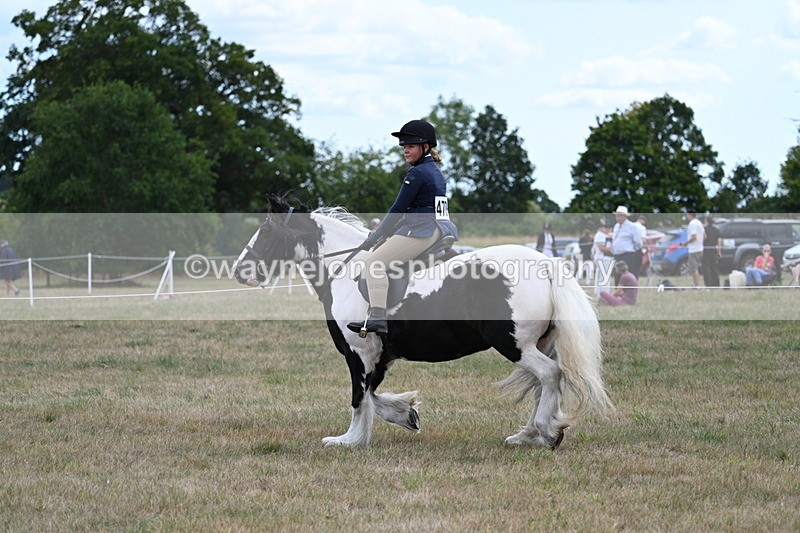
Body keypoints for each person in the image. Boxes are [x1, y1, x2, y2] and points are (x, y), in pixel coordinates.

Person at [347, 119, 458, 336]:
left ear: (425, 147)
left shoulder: (416, 174)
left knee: (374, 264)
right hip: (438, 228)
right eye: (404, 147)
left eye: (410, 146)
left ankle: (378, 317)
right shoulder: (434, 170)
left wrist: (376, 236)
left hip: (421, 231)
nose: (406, 151)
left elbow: (398, 209)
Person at [611, 206, 642, 285]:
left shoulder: (632, 226)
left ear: (625, 216)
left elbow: (638, 242)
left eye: (619, 216)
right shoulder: (616, 226)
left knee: (626, 276)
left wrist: (632, 249)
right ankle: (618, 294)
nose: (617, 218)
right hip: (617, 255)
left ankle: (627, 294)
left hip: (627, 255)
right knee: (617, 276)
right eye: (616, 216)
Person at [680, 210, 705, 288]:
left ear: (690, 215)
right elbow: (705, 236)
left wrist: (685, 243)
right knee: (696, 267)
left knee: (694, 268)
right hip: (700, 248)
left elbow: (694, 237)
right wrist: (700, 243)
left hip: (693, 249)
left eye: (687, 215)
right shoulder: (699, 223)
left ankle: (696, 285)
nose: (687, 217)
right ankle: (696, 284)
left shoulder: (692, 223)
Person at [593, 220, 613, 296]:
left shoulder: (606, 235)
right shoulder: (600, 235)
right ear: (602, 228)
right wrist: (612, 249)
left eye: (609, 227)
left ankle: (602, 293)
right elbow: (601, 248)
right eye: (606, 227)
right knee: (604, 277)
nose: (608, 229)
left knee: (603, 277)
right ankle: (603, 294)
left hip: (606, 258)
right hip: (602, 258)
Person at [702, 216, 722, 287]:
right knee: (714, 268)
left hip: (706, 250)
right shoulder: (716, 230)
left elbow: (704, 238)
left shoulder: (704, 229)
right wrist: (719, 252)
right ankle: (716, 284)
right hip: (714, 250)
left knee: (706, 268)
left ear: (707, 221)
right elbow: (719, 241)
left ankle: (708, 284)